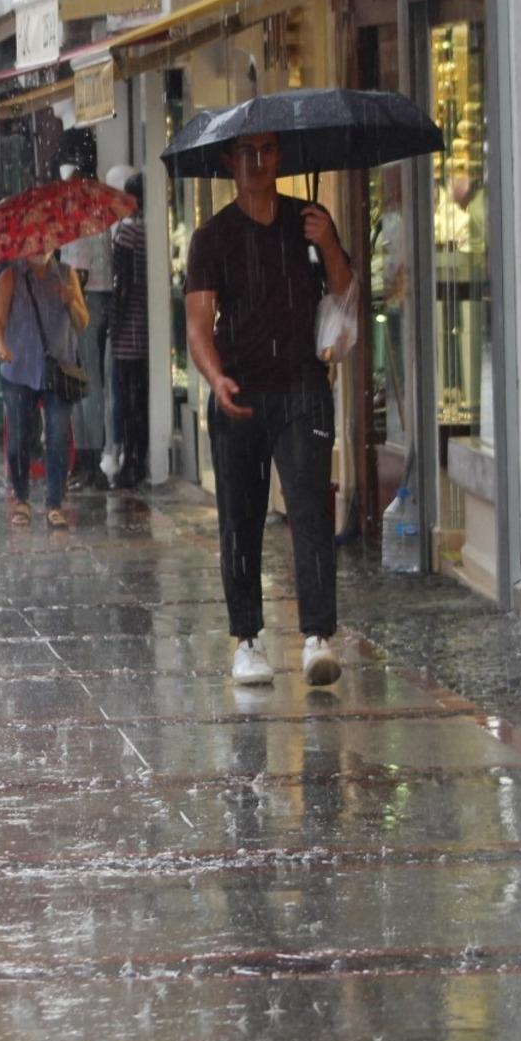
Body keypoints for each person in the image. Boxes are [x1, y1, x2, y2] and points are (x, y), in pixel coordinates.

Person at [185, 131, 352, 687]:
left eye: (267, 151)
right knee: (241, 518)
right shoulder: (213, 237)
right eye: (246, 153)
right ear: (230, 162)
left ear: (281, 157)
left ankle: (318, 637)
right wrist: (217, 379)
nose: (257, 163)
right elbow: (197, 324)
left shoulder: (308, 220)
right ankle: (248, 638)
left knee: (309, 510)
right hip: (241, 393)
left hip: (304, 386)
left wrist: (327, 242)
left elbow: (346, 291)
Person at [0, 249, 89, 530]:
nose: (39, 247)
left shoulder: (67, 275)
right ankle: (21, 499)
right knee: (20, 437)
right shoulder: (11, 277)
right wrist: (0, 346)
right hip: (18, 369)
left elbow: (83, 322)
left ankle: (54, 503)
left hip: (58, 371)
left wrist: (71, 301)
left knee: (57, 436)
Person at [60, 173, 112, 492]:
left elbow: (78, 273)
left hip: (86, 302)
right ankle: (86, 458)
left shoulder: (82, 222)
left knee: (86, 382)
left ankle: (90, 460)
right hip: (95, 299)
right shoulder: (95, 217)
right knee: (84, 382)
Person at [111, 173, 149, 490]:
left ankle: (131, 462)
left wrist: (114, 323)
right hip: (146, 330)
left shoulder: (127, 231)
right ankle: (139, 457)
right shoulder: (150, 230)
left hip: (128, 333)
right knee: (140, 399)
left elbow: (122, 281)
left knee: (126, 399)